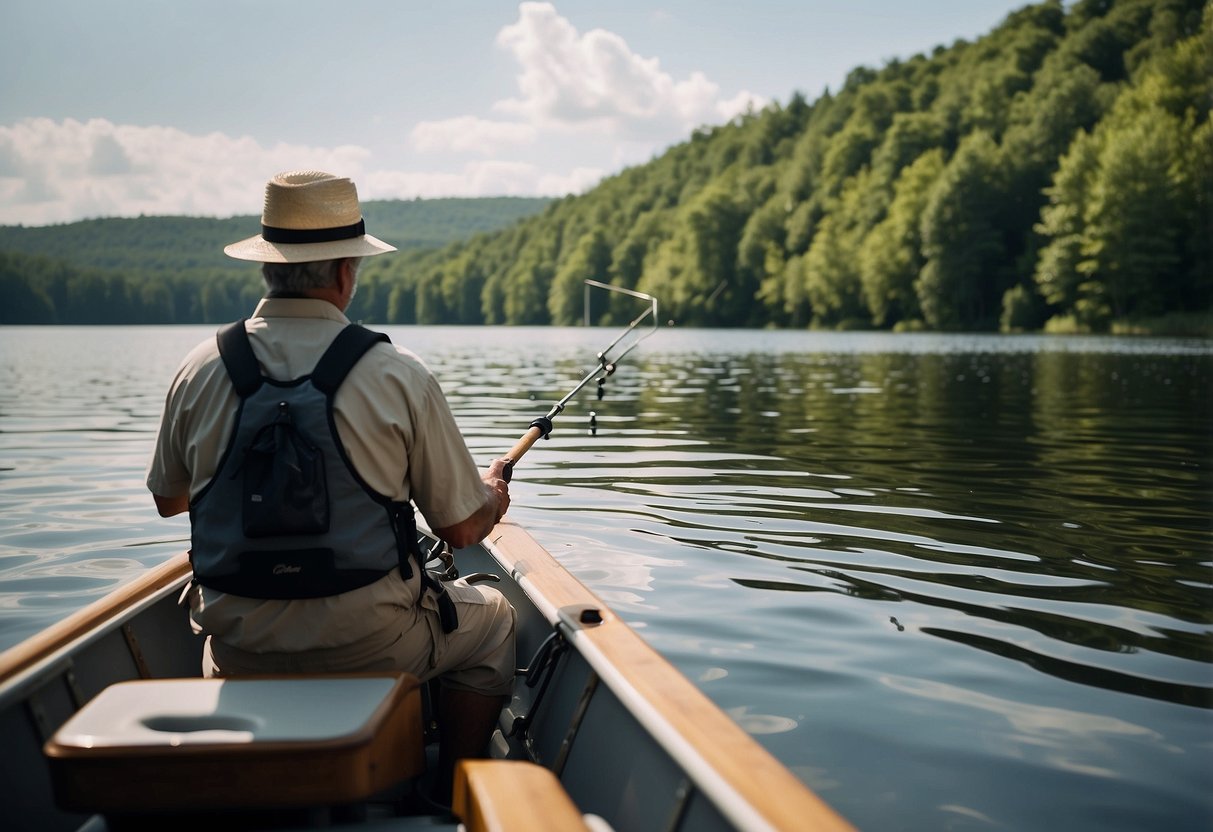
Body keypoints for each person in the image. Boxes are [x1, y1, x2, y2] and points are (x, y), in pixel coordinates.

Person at [147, 170, 514, 801]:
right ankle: (453, 798)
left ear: (269, 267)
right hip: (372, 643)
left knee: (212, 647)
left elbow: (170, 501)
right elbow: (459, 527)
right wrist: (493, 496)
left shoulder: (198, 367)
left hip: (241, 649)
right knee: (498, 623)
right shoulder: (396, 372)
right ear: (346, 270)